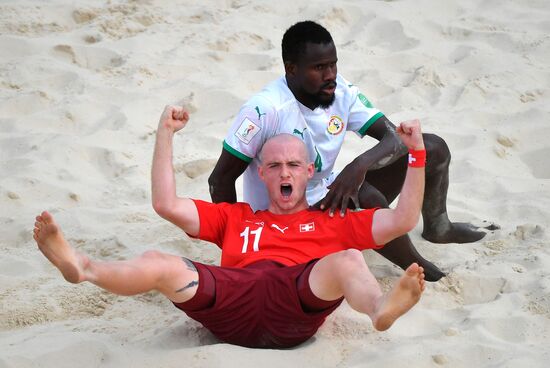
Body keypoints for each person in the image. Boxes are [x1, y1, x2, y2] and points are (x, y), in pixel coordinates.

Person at [34, 105, 426, 349]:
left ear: (309, 172)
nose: (283, 172)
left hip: (295, 303)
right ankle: (84, 268)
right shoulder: (237, 216)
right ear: (261, 174)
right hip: (230, 302)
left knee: (348, 259)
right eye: (274, 166)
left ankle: (378, 309)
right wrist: (165, 134)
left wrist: (417, 154)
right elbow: (165, 205)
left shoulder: (332, 220)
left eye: (293, 165)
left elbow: (403, 219)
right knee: (162, 262)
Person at [208, 21, 495, 282]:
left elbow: (395, 137)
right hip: (282, 220)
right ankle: (417, 266)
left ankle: (439, 228)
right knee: (366, 196)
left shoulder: (339, 91)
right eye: (319, 68)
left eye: (333, 64)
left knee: (433, 148)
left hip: (326, 191)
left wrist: (359, 165)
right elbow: (219, 180)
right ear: (291, 68)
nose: (330, 75)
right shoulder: (264, 110)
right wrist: (240, 241)